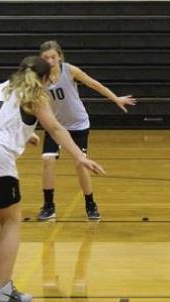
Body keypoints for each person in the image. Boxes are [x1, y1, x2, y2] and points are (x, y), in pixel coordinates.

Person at [0, 56, 105, 302]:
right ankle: (4, 289)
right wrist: (80, 157)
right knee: (11, 220)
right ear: (46, 79)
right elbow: (56, 129)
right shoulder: (36, 93)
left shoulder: (1, 87)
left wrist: (25, 135)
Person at [37, 40, 136, 221]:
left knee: (80, 163)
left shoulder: (70, 71)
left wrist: (116, 99)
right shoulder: (38, 77)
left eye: (53, 57)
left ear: (60, 56)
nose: (50, 61)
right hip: (56, 126)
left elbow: (94, 84)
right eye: (46, 58)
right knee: (47, 160)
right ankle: (49, 205)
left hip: (78, 124)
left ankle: (90, 203)